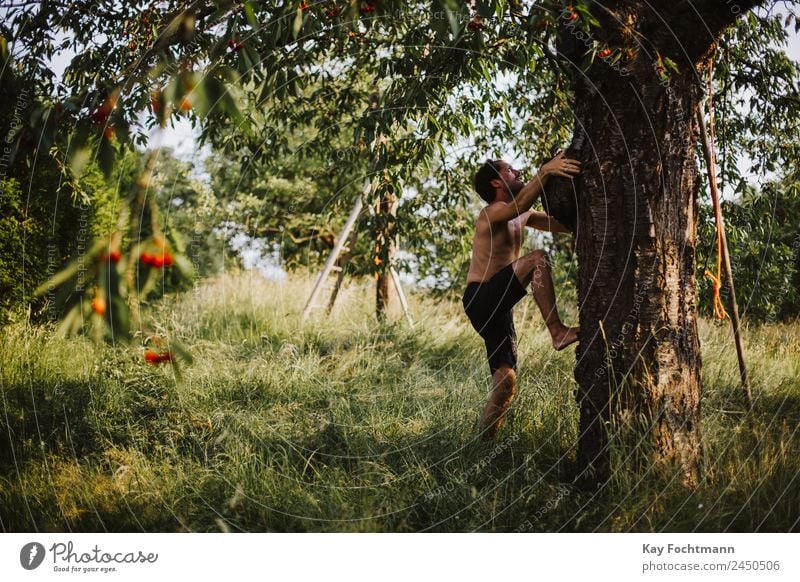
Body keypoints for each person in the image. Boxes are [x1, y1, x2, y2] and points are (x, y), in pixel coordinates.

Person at [462, 153, 581, 439]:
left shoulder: (522, 215)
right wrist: (546, 172)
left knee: (506, 381)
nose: (518, 171)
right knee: (538, 258)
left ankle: (484, 443)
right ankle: (557, 331)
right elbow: (519, 205)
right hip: (481, 297)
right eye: (510, 170)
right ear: (496, 182)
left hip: (499, 306)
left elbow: (564, 226)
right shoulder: (490, 213)